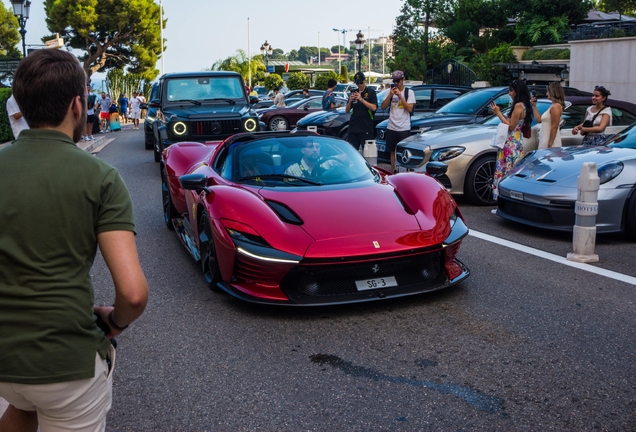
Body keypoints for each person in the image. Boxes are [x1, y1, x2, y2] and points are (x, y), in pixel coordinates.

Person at [0, 49, 148, 432]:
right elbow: (132, 294)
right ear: (78, 105)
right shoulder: (100, 177)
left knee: (21, 405)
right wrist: (114, 322)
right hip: (65, 362)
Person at [490, 79, 533, 202]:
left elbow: (511, 126)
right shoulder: (525, 105)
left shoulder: (518, 105)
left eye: (511, 91)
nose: (509, 93)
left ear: (517, 91)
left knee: (506, 170)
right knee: (512, 170)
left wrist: (498, 113)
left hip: (510, 142)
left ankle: (504, 200)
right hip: (517, 142)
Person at [380, 70, 415, 172]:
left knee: (405, 152)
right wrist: (390, 95)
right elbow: (382, 107)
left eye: (398, 80)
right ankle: (393, 171)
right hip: (391, 126)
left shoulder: (409, 92)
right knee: (392, 152)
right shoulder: (389, 91)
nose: (396, 83)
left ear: (403, 80)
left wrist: (400, 96)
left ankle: (406, 172)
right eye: (394, 81)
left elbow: (409, 109)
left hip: (404, 127)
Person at [345, 71, 377, 151]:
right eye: (357, 83)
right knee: (352, 150)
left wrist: (361, 99)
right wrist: (350, 101)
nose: (359, 85)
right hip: (354, 127)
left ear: (365, 81)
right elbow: (347, 110)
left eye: (361, 82)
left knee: (368, 152)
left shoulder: (370, 92)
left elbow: (374, 108)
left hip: (366, 127)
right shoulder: (354, 92)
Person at [531, 81, 565, 149]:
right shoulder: (552, 106)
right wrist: (534, 106)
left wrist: (550, 144)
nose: (546, 94)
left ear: (553, 92)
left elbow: (554, 127)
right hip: (545, 139)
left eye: (548, 91)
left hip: (550, 142)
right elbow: (539, 120)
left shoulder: (556, 107)